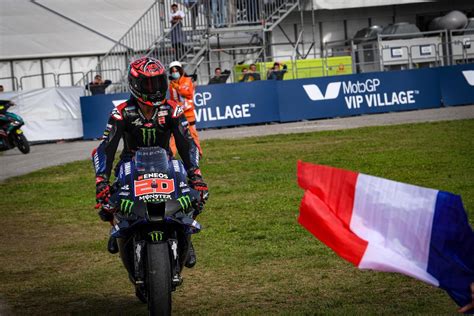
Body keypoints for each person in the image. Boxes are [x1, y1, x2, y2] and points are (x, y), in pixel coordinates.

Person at [91, 57, 208, 267]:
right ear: (135, 84)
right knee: (107, 203)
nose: (154, 88)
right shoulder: (121, 112)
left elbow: (187, 144)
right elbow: (105, 147)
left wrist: (196, 175)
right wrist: (101, 180)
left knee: (197, 197)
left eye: (158, 82)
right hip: (130, 164)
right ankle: (116, 228)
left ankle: (186, 234)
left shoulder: (173, 109)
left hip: (166, 163)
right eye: (148, 83)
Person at [168, 61, 202, 156]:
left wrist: (177, 87)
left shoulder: (187, 80)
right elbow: (172, 99)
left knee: (192, 134)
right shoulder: (171, 85)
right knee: (174, 134)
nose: (174, 73)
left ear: (180, 70)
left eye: (176, 70)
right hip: (178, 113)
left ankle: (198, 152)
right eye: (172, 71)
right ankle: (171, 154)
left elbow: (188, 94)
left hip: (188, 113)